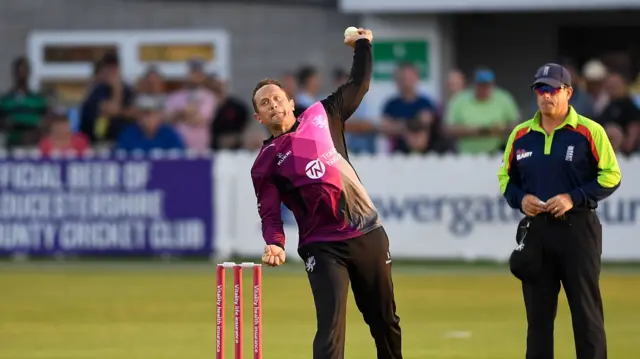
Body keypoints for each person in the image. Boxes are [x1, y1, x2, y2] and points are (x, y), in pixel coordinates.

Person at [250, 29, 402, 359]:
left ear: (291, 102)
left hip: (367, 232)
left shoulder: (323, 113)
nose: (273, 104)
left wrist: (363, 44)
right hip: (322, 245)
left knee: (384, 322)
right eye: (265, 103)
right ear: (259, 117)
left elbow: (359, 84)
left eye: (277, 97)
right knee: (331, 328)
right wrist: (275, 241)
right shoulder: (265, 162)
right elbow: (270, 213)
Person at [497, 63, 621, 359]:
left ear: (568, 92)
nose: (546, 96)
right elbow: (506, 178)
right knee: (537, 319)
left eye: (552, 90)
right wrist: (520, 199)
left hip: (577, 230)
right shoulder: (521, 134)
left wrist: (573, 197)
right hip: (537, 231)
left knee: (586, 314)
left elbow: (611, 175)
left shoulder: (589, 131)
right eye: (541, 90)